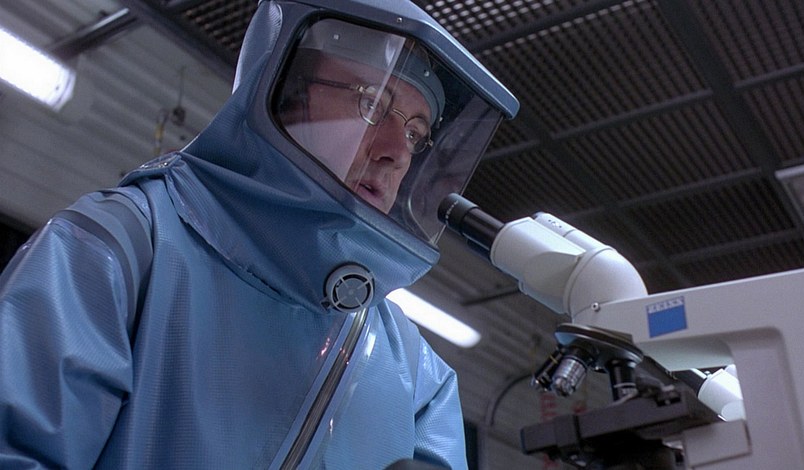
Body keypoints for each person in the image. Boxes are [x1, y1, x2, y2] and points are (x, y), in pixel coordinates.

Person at [0, 0, 517, 468]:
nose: (397, 152)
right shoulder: (120, 250)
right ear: (285, 93)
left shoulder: (418, 375)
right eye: (374, 104)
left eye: (415, 133)